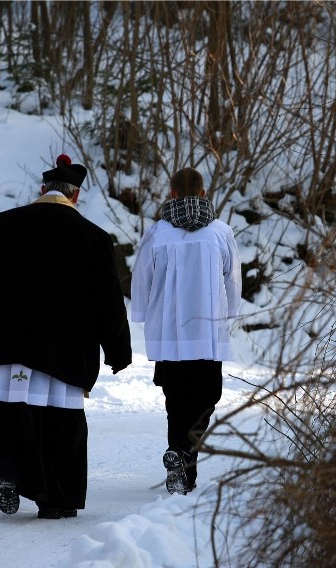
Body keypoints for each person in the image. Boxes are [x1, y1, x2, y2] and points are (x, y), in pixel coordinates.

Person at [0, 154, 131, 519]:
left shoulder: (4, 224)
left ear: (42, 190)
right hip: (65, 349)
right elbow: (108, 302)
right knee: (62, 422)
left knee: (10, 409)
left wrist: (1, 313)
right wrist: (118, 350)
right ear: (75, 197)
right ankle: (55, 499)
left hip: (10, 341)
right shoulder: (94, 238)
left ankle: (9, 472)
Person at [131, 167, 242, 495]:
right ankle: (182, 456)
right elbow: (232, 279)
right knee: (207, 396)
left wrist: (143, 315)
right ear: (204, 194)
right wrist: (230, 314)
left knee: (176, 399)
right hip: (207, 332)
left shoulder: (157, 233)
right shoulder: (221, 232)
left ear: (172, 194)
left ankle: (178, 455)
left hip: (169, 332)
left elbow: (141, 279)